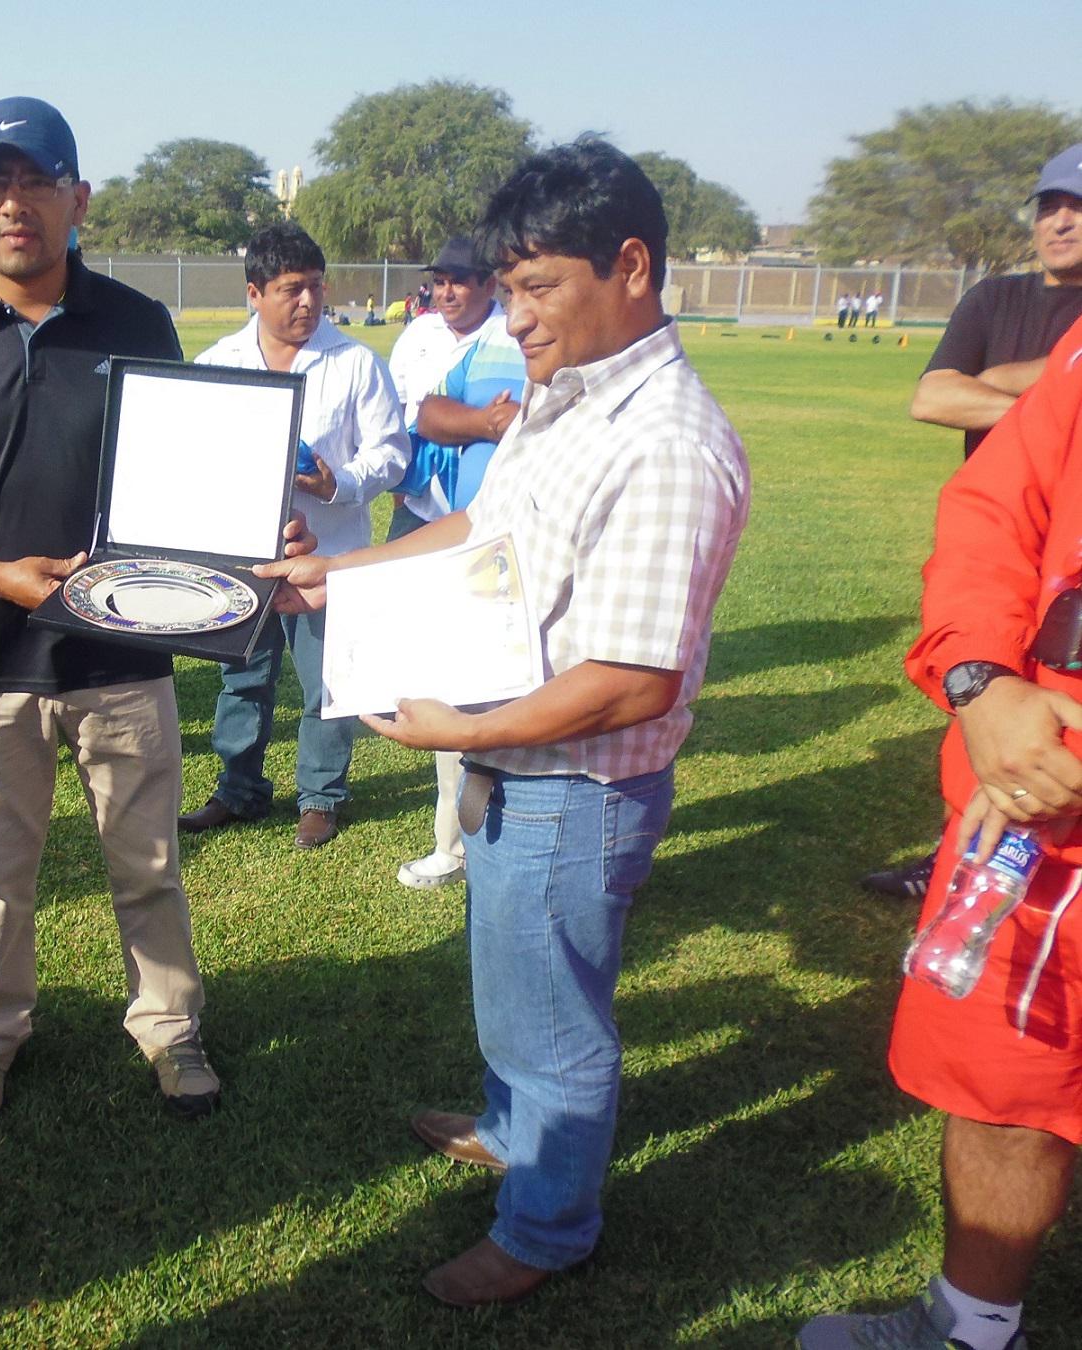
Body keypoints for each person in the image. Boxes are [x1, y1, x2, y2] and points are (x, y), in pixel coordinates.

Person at [258, 140, 749, 1305]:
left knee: (555, 1022)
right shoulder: (566, 400)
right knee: (515, 987)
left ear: (630, 266)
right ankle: (505, 1127)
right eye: (507, 286)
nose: (512, 316)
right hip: (518, 768)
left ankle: (545, 1230)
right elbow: (483, 534)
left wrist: (449, 730)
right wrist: (348, 572)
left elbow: (636, 681)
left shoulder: (665, 444)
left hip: (571, 789)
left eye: (537, 287)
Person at [0, 96, 310, 1131]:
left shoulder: (136, 322)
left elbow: (188, 481)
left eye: (38, 182)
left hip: (122, 651)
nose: (18, 205)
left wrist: (254, 542)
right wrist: (0, 576)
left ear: (77, 198)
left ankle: (169, 1028)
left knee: (148, 863)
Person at [797, 320, 1082, 1350]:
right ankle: (973, 1330)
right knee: (1009, 1090)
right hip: (1032, 811)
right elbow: (993, 515)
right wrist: (983, 680)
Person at [861, 143, 1082, 902]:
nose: (1060, 221)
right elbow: (933, 398)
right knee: (980, 685)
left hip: (1069, 555)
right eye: (1049, 205)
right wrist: (1054, 406)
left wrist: (1009, 386)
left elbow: (971, 389)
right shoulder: (995, 298)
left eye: (1078, 207)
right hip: (998, 537)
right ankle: (952, 850)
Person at [179, 221, 408, 850]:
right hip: (241, 560)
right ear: (254, 292)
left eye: (314, 287)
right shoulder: (219, 362)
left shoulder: (356, 363)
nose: (308, 301)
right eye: (290, 289)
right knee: (242, 678)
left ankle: (321, 795)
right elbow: (189, 454)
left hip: (328, 557)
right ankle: (238, 788)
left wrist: (339, 481)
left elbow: (393, 453)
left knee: (327, 679)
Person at [383, 236, 526, 888]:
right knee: (453, 693)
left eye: (460, 280)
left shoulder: (525, 336)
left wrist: (506, 423)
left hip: (530, 552)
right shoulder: (466, 346)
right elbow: (432, 415)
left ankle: (510, 842)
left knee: (515, 701)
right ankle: (455, 846)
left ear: (492, 283)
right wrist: (485, 422)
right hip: (461, 540)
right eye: (438, 279)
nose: (447, 291)